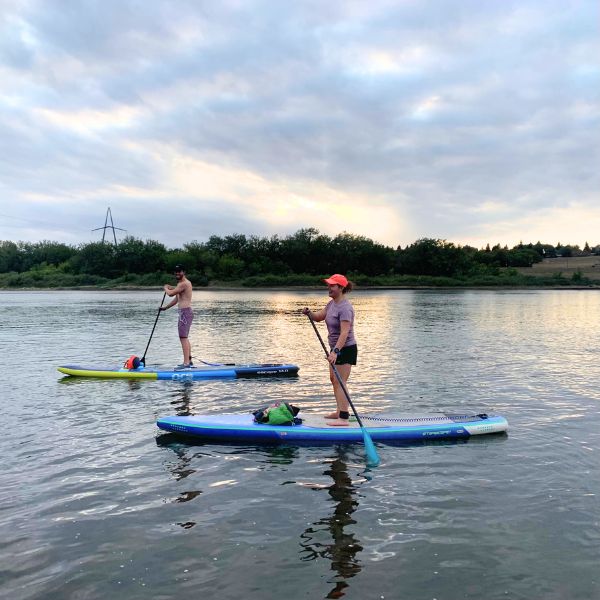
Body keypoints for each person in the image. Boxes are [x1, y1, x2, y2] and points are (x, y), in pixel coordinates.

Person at [302, 274, 357, 427]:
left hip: (345, 348)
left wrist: (335, 352)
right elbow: (319, 316)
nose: (329, 288)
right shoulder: (332, 304)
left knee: (341, 381)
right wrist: (310, 313)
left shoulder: (346, 308)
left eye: (332, 285)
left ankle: (344, 418)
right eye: (329, 285)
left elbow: (345, 332)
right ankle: (339, 411)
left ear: (341, 288)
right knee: (334, 380)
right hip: (336, 348)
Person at [161, 265, 194, 368]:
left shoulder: (184, 284)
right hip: (184, 313)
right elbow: (176, 299)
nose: (177, 273)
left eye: (179, 271)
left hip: (185, 313)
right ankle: (189, 361)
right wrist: (165, 308)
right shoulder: (180, 284)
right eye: (175, 272)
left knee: (183, 337)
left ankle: (186, 363)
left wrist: (166, 288)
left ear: (183, 272)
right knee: (184, 337)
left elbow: (170, 294)